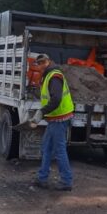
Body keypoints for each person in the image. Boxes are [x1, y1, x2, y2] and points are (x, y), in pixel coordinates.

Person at [30, 54, 75, 191]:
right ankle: (42, 177)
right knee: (46, 147)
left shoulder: (54, 76)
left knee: (59, 150)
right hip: (55, 118)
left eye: (43, 62)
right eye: (39, 63)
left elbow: (56, 99)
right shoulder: (49, 74)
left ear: (48, 61)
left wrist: (41, 112)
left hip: (59, 118)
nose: (41, 65)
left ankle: (66, 181)